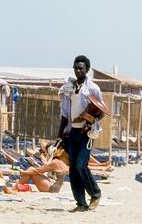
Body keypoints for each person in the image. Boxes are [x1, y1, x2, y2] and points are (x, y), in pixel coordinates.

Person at [57, 55, 104, 212]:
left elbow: (102, 111)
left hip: (87, 132)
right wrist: (60, 134)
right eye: (76, 68)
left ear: (87, 70)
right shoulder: (68, 89)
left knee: (80, 165)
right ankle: (81, 203)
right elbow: (64, 113)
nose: (78, 70)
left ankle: (95, 194)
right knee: (72, 168)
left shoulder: (93, 88)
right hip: (72, 132)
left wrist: (90, 121)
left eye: (81, 68)